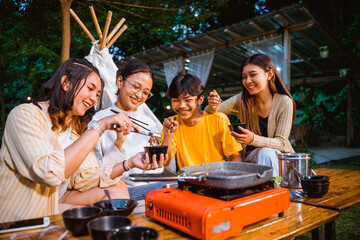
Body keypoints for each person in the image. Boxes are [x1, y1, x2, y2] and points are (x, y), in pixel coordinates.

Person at [0, 58, 154, 222]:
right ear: (66, 83)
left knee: (117, 189)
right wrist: (99, 127)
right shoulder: (24, 115)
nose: (94, 99)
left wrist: (129, 163)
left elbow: (84, 177)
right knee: (91, 216)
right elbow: (47, 173)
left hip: (55, 203)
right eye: (90, 89)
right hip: (23, 215)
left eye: (97, 94)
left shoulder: (75, 129)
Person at [205, 53, 296, 177]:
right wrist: (212, 106)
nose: (247, 81)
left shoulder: (284, 102)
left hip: (282, 161)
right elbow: (210, 113)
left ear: (269, 74)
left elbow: (281, 142)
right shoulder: (241, 100)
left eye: (253, 75)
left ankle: (274, 190)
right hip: (253, 161)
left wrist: (253, 139)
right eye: (244, 77)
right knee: (264, 153)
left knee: (266, 152)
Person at [92, 61, 169, 201]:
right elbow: (95, 172)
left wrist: (155, 166)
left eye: (146, 92)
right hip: (121, 191)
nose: (139, 95)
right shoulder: (100, 120)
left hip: (150, 188)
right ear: (120, 81)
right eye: (135, 87)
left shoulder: (149, 123)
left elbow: (156, 171)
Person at [162, 73, 242, 170]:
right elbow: (164, 163)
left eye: (187, 100)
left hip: (218, 179)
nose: (182, 105)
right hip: (189, 181)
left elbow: (235, 156)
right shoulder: (172, 125)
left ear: (200, 100)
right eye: (176, 100)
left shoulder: (219, 119)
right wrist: (168, 135)